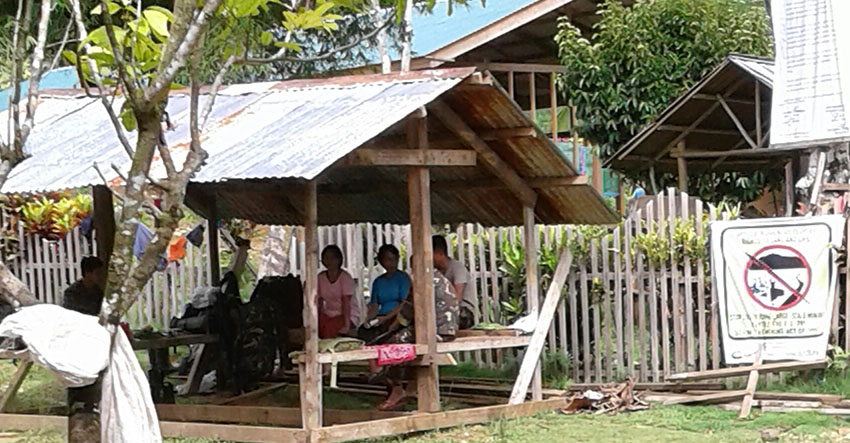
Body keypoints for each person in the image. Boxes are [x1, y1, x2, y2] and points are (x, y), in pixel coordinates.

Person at [375, 269, 458, 411]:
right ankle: (412, 389)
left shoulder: (423, 282)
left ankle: (397, 390)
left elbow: (406, 313)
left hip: (435, 332)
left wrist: (390, 329)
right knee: (411, 340)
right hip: (449, 330)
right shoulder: (442, 280)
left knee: (395, 344)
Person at [432, 235, 475, 329]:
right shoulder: (435, 271)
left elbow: (456, 299)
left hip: (463, 312)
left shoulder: (457, 268)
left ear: (439, 253)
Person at [366, 245, 410, 327]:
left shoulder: (403, 278)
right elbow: (374, 305)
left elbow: (404, 303)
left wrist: (387, 317)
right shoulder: (378, 282)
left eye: (394, 259)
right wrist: (370, 319)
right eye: (388, 260)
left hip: (399, 319)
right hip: (381, 318)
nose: (392, 263)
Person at [318, 245, 356, 339]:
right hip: (328, 314)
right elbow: (318, 300)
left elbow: (346, 303)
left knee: (330, 328)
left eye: (332, 258)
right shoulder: (320, 278)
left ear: (339, 260)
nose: (328, 261)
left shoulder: (345, 278)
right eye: (325, 258)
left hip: (347, 315)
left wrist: (346, 326)